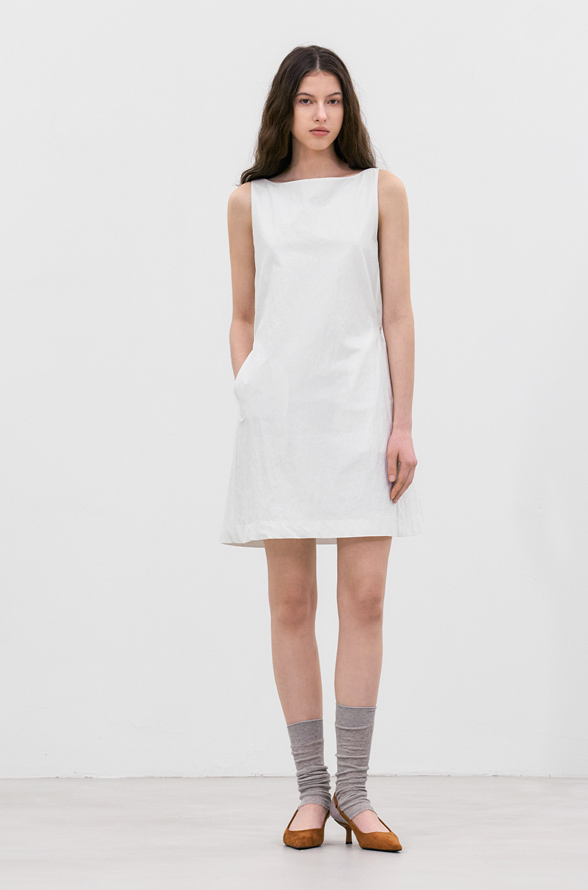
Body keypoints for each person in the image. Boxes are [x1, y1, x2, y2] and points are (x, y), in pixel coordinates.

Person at [220, 45, 425, 851]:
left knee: (365, 599)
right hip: (280, 421)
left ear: (348, 109)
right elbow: (242, 313)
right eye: (306, 100)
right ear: (286, 109)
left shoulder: (381, 191)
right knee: (292, 605)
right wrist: (251, 389)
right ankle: (311, 793)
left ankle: (356, 793)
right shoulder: (250, 202)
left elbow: (398, 313)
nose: (320, 114)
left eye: (332, 100)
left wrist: (402, 422)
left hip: (360, 415)